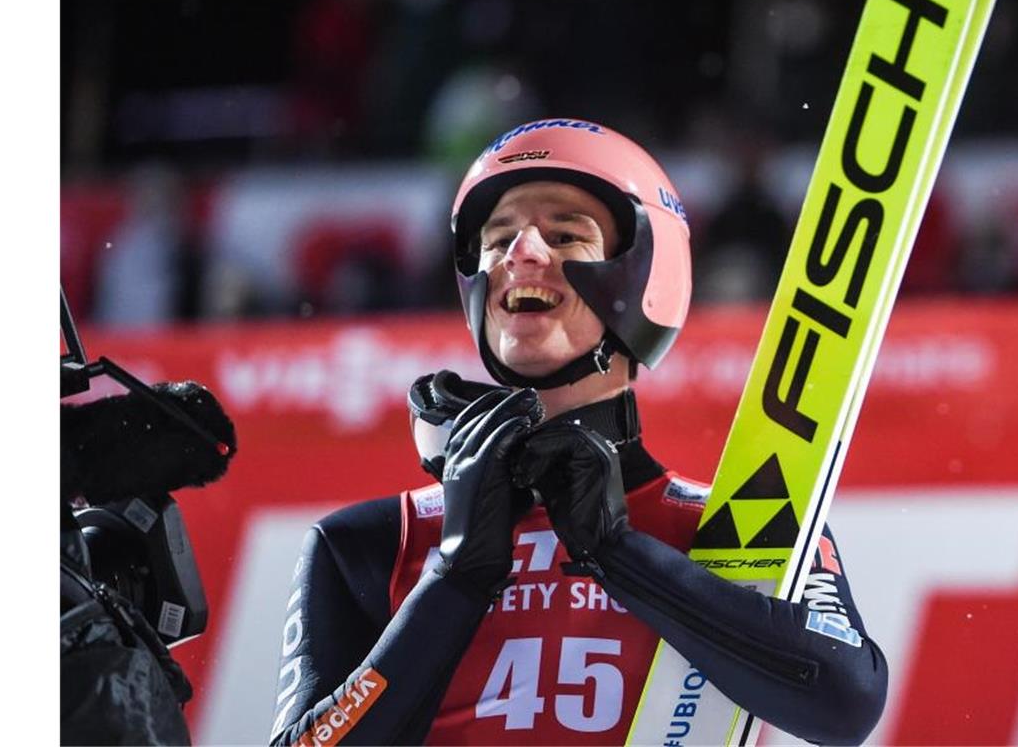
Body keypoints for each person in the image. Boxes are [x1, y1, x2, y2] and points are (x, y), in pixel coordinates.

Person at [268, 119, 888, 746]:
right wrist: (455, 578)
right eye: (498, 238)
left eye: (565, 235)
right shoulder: (371, 542)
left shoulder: (737, 526)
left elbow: (846, 704)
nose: (521, 253)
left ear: (645, 278)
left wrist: (621, 555)